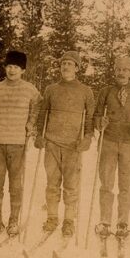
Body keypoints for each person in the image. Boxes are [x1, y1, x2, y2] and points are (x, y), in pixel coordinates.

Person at [34, 51, 94, 238]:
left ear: (77, 68)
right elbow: (43, 114)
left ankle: (68, 219)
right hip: (52, 143)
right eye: (63, 63)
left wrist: (87, 138)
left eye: (70, 64)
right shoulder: (51, 89)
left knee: (71, 185)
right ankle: (52, 217)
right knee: (52, 183)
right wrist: (39, 135)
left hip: (73, 146)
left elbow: (90, 118)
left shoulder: (85, 91)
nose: (66, 67)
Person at [0, 50, 41, 236]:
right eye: (9, 66)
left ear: (22, 70)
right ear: (5, 68)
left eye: (16, 67)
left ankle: (14, 219)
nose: (12, 70)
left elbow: (37, 108)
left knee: (16, 184)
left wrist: (31, 124)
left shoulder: (30, 89)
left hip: (18, 143)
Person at [93, 57, 130, 240]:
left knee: (125, 186)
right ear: (114, 71)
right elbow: (96, 115)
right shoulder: (106, 91)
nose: (121, 73)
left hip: (129, 144)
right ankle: (105, 220)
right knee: (106, 184)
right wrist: (99, 122)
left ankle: (122, 222)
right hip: (108, 141)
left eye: (125, 70)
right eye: (118, 69)